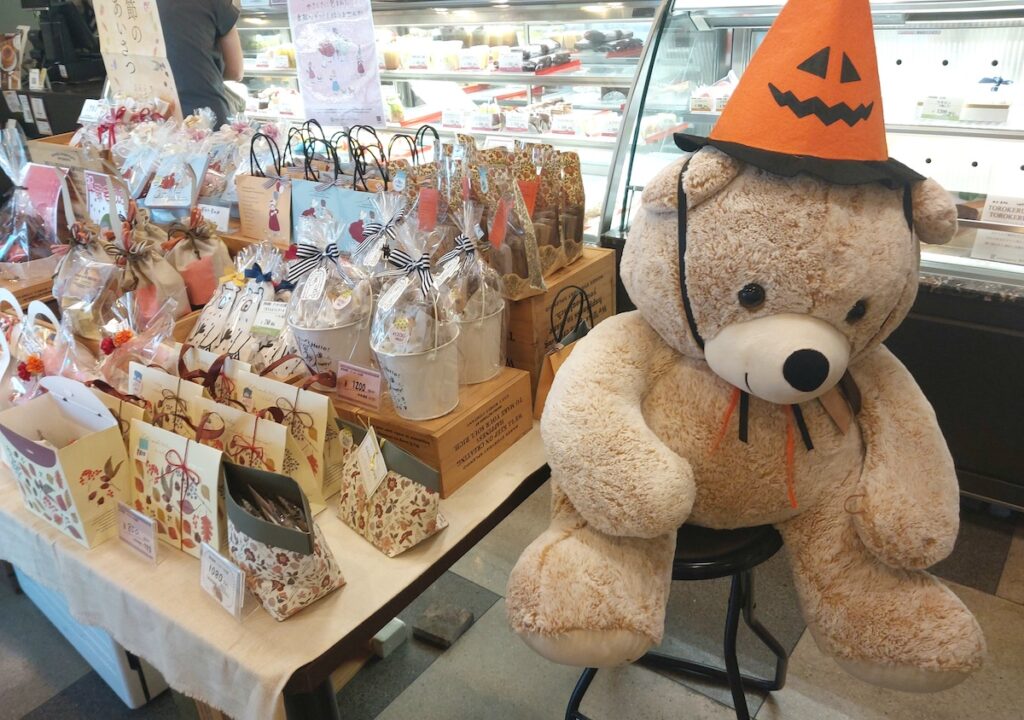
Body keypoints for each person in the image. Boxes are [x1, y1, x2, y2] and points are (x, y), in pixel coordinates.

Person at [155, 0, 243, 127]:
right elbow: (236, 72)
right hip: (208, 116)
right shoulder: (216, 3)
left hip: (157, 117)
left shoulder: (138, 6)